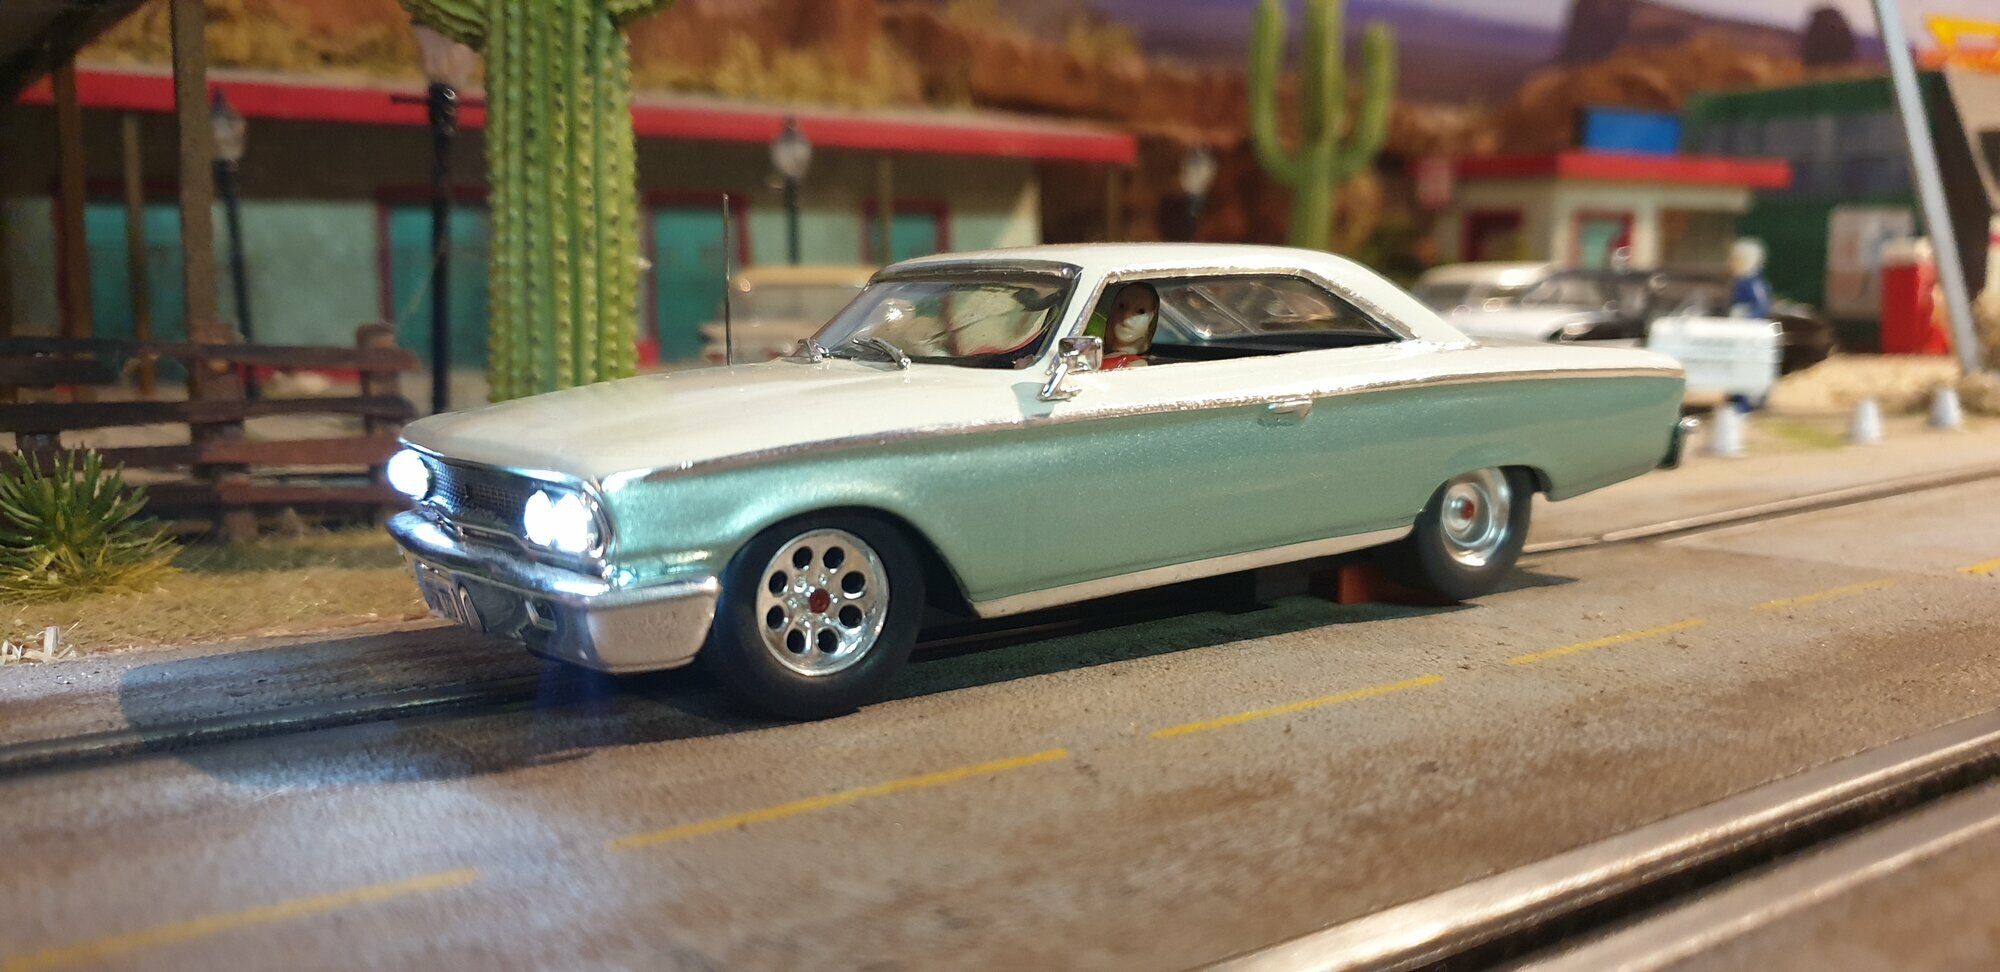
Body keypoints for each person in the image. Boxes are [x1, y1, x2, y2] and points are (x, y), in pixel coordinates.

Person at [1086, 282, 1160, 370]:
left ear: (1150, 325)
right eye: (1122, 306)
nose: (1126, 315)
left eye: (1141, 311)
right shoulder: (1093, 356)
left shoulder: (1135, 365)